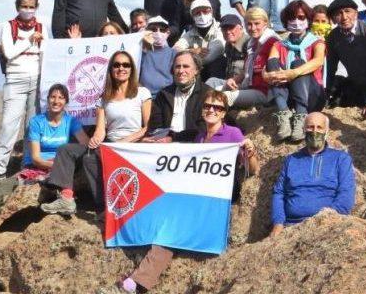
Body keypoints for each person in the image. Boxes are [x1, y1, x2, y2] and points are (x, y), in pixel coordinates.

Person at [106, 91, 257, 294]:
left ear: (223, 113)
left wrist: (250, 151)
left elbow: (253, 169)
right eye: (208, 106)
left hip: (213, 200)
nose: (212, 110)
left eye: (218, 108)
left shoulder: (232, 134)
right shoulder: (199, 136)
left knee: (171, 232)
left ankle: (135, 284)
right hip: (192, 196)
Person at [0, 84, 88, 239]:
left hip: (60, 166)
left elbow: (85, 144)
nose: (56, 101)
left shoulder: (71, 121)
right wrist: (58, 166)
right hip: (39, 166)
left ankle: (67, 200)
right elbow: (36, 158)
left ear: (66, 102)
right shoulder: (37, 122)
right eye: (53, 97)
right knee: (7, 184)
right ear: (47, 100)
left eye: (61, 98)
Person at [41, 51, 152, 215]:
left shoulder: (142, 93)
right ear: (111, 69)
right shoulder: (104, 98)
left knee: (89, 159)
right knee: (67, 150)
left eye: (126, 65)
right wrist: (95, 140)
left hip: (134, 144)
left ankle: (106, 208)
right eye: (117, 65)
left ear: (132, 69)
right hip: (110, 144)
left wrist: (124, 141)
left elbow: (148, 127)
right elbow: (101, 130)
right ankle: (66, 199)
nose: (121, 68)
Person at [0, 0, 45, 186]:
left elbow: (45, 51)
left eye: (31, 7)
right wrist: (30, 40)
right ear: (17, 6)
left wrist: (35, 44)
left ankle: (29, 165)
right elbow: (9, 52)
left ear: (36, 7)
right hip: (15, 79)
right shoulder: (8, 26)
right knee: (9, 123)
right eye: (24, 6)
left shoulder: (42, 27)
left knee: (32, 125)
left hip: (38, 78)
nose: (28, 10)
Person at [270, 112, 355, 237]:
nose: (314, 131)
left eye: (319, 127)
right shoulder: (291, 160)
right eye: (310, 127)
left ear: (326, 131)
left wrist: (326, 221)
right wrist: (278, 223)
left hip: (327, 227)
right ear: (304, 130)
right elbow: (279, 193)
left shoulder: (341, 159)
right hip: (291, 227)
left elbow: (346, 195)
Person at [267, 0, 326, 142]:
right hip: (288, 97)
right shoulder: (279, 44)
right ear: (286, 21)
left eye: (301, 18)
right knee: (272, 63)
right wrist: (268, 74)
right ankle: (284, 114)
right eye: (292, 18)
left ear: (308, 19)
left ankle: (301, 116)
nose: (296, 22)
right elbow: (269, 66)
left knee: (298, 64)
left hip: (312, 96)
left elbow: (318, 61)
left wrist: (294, 72)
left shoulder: (317, 42)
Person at [324, 0, 366, 122]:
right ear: (333, 19)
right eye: (338, 14)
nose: (344, 17)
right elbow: (330, 68)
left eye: (347, 11)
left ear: (356, 13)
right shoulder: (333, 37)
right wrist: (324, 96)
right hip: (355, 83)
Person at [215, 7, 280, 109]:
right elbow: (247, 71)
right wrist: (234, 80)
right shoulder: (253, 44)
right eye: (249, 24)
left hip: (265, 93)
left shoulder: (272, 42)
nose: (253, 28)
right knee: (213, 91)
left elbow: (276, 72)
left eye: (257, 23)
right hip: (250, 87)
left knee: (222, 97)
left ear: (265, 23)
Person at [143, 51, 212, 143]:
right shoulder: (164, 94)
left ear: (196, 70)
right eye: (177, 66)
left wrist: (174, 137)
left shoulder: (207, 94)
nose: (181, 71)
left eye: (186, 66)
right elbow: (155, 126)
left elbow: (205, 128)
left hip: (194, 146)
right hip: (165, 147)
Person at [173, 0, 226, 81]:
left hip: (216, 73)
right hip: (196, 70)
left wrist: (186, 54)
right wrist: (192, 51)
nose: (202, 15)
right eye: (197, 13)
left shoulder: (220, 29)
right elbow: (175, 50)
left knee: (218, 62)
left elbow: (211, 55)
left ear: (211, 12)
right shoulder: (190, 33)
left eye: (205, 11)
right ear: (192, 16)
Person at [140, 16, 177, 98]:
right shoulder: (141, 53)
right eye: (153, 29)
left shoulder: (174, 53)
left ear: (167, 33)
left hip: (167, 97)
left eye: (162, 30)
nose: (158, 32)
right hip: (145, 98)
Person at [213, 14, 249, 88]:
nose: (228, 32)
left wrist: (235, 81)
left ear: (241, 28)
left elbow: (250, 71)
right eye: (224, 29)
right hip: (231, 82)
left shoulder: (248, 43)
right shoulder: (228, 44)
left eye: (231, 28)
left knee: (212, 83)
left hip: (245, 84)